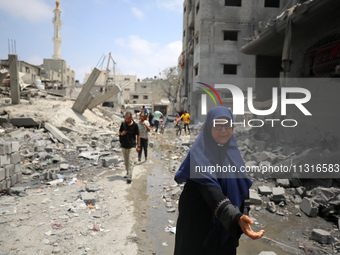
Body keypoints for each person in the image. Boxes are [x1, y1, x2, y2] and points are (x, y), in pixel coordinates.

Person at [174, 106, 265, 255]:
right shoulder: (199, 154)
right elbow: (210, 190)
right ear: (209, 126)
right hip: (198, 222)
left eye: (228, 125)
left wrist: (243, 215)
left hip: (225, 221)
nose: (223, 130)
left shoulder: (231, 152)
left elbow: (242, 186)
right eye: (218, 125)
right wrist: (235, 216)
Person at [119, 112, 141, 184]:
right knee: (126, 161)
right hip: (124, 145)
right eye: (126, 118)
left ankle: (129, 176)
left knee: (131, 161)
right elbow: (119, 132)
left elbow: (138, 135)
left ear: (131, 118)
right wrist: (122, 133)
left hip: (132, 145)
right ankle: (128, 172)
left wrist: (139, 146)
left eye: (128, 118)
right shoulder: (123, 123)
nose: (127, 120)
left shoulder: (135, 125)